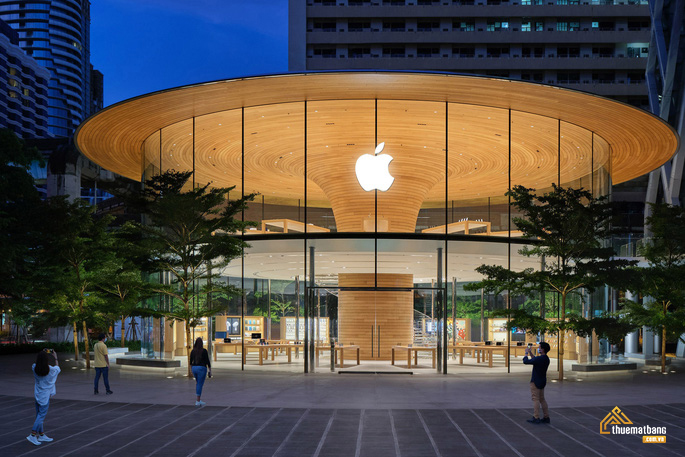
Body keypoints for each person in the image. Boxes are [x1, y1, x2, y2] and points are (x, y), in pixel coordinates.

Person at [27, 349, 60, 446]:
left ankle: (41, 434)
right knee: (41, 417)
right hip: (45, 397)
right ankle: (32, 435)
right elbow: (58, 368)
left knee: (39, 416)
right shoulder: (51, 370)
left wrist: (42, 352)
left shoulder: (34, 368)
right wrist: (55, 357)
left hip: (37, 395)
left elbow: (38, 364)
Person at [524, 341, 551, 424]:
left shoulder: (540, 359)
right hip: (542, 381)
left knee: (535, 399)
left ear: (542, 349)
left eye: (539, 347)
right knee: (542, 399)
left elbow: (526, 361)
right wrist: (530, 353)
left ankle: (536, 417)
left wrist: (526, 354)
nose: (538, 349)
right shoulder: (546, 359)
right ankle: (546, 416)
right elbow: (534, 360)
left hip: (535, 381)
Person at [190, 337, 212, 406]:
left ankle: (198, 399)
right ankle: (198, 400)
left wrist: (191, 370)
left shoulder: (193, 351)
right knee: (200, 384)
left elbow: (190, 361)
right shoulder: (204, 351)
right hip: (201, 368)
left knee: (197, 383)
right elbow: (207, 361)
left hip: (194, 368)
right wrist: (210, 370)